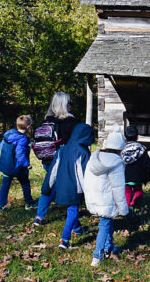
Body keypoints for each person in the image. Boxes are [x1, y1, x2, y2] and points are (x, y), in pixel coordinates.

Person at [41, 122, 94, 250]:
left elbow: (53, 170)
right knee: (72, 211)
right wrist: (88, 193)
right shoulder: (83, 152)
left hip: (61, 186)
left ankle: (78, 229)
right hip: (75, 188)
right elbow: (83, 174)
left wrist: (47, 187)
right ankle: (64, 239)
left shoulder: (62, 149)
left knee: (71, 210)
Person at [83, 124, 129, 266]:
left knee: (107, 221)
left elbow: (87, 179)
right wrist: (123, 209)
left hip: (94, 197)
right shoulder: (117, 162)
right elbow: (118, 188)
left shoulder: (94, 157)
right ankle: (97, 256)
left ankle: (109, 247)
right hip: (107, 199)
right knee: (104, 223)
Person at [33, 92, 79, 227]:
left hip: (48, 159)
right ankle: (75, 225)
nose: (71, 105)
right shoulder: (71, 122)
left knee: (48, 185)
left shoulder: (48, 120)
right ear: (65, 105)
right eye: (70, 103)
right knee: (70, 190)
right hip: (64, 160)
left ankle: (39, 216)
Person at [0, 115, 36, 213]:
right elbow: (20, 154)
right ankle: (29, 203)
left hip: (6, 165)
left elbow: (2, 147)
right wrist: (27, 164)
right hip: (18, 167)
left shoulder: (8, 134)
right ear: (27, 127)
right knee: (25, 183)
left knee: (5, 185)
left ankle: (0, 206)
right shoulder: (22, 139)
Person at [121, 125, 150, 214]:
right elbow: (147, 165)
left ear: (125, 137)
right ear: (137, 136)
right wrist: (146, 177)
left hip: (124, 176)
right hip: (138, 176)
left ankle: (126, 210)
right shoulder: (142, 148)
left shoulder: (121, 149)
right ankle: (132, 205)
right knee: (138, 191)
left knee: (126, 193)